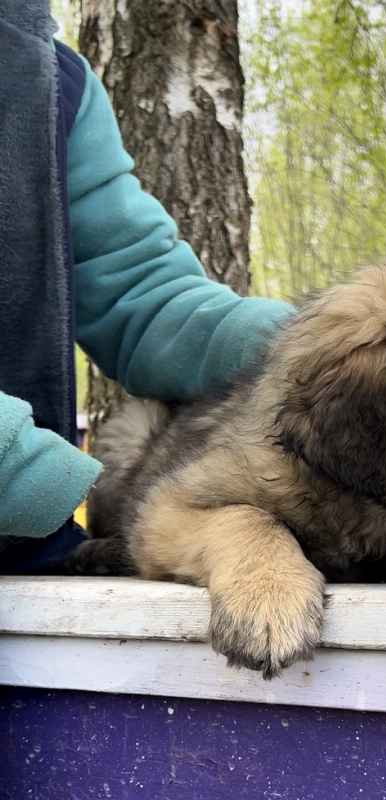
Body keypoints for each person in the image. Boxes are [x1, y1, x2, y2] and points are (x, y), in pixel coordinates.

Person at [0, 1, 294, 572]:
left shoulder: (54, 83)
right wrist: (35, 474)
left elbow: (140, 293)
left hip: (28, 570)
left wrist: (308, 346)